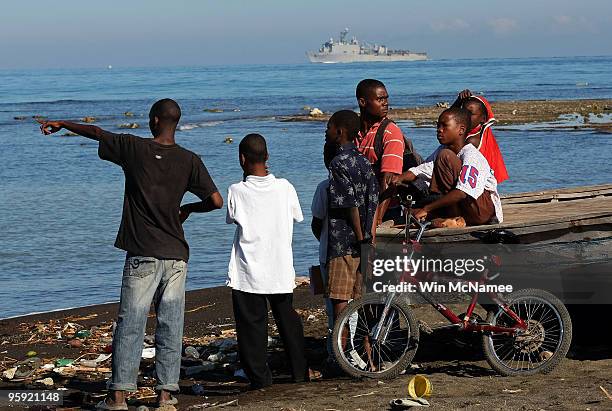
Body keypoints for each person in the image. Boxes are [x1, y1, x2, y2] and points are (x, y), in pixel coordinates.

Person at [39, 99, 223, 411]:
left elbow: (97, 132)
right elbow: (216, 200)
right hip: (176, 256)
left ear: (153, 121)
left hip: (143, 254)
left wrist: (63, 123)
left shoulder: (134, 149)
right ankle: (165, 395)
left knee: (131, 324)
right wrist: (189, 208)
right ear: (174, 123)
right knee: (171, 324)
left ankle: (119, 396)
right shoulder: (190, 160)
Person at [226, 133, 317, 389]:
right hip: (279, 265)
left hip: (248, 268)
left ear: (242, 159)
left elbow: (233, 217)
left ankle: (260, 377)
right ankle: (299, 371)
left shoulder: (237, 190)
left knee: (252, 326)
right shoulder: (285, 187)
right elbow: (297, 217)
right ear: (267, 157)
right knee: (286, 319)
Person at [393, 107, 503, 226]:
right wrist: (399, 178)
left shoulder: (471, 155)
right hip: (464, 208)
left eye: (444, 126)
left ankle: (450, 218)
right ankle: (453, 218)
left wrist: (427, 209)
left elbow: (462, 192)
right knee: (410, 212)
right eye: (438, 126)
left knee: (445, 156)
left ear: (461, 130)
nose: (439, 130)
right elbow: (422, 170)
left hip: (482, 212)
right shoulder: (443, 149)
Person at [325, 110, 379, 321]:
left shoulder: (338, 163)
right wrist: (368, 236)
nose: (326, 131)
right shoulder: (363, 160)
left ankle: (341, 350)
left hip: (344, 242)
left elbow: (349, 204)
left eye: (328, 127)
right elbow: (373, 199)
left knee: (340, 300)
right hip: (366, 241)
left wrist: (359, 236)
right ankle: (368, 352)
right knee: (363, 299)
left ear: (339, 132)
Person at [355, 79, 422, 228]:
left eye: (386, 99)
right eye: (380, 99)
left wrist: (376, 221)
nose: (385, 103)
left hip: (386, 209)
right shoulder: (354, 129)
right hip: (358, 206)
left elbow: (389, 181)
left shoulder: (390, 132)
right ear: (363, 102)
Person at [310, 142, 337, 359]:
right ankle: (348, 351)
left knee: (332, 307)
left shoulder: (324, 187)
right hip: (353, 250)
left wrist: (323, 240)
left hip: (329, 252)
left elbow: (316, 223)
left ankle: (335, 353)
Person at [452, 89, 509, 183]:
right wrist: (459, 101)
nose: (465, 116)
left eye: (470, 114)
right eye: (463, 112)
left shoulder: (471, 141)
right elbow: (449, 119)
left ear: (483, 119)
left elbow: (448, 122)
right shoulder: (479, 132)